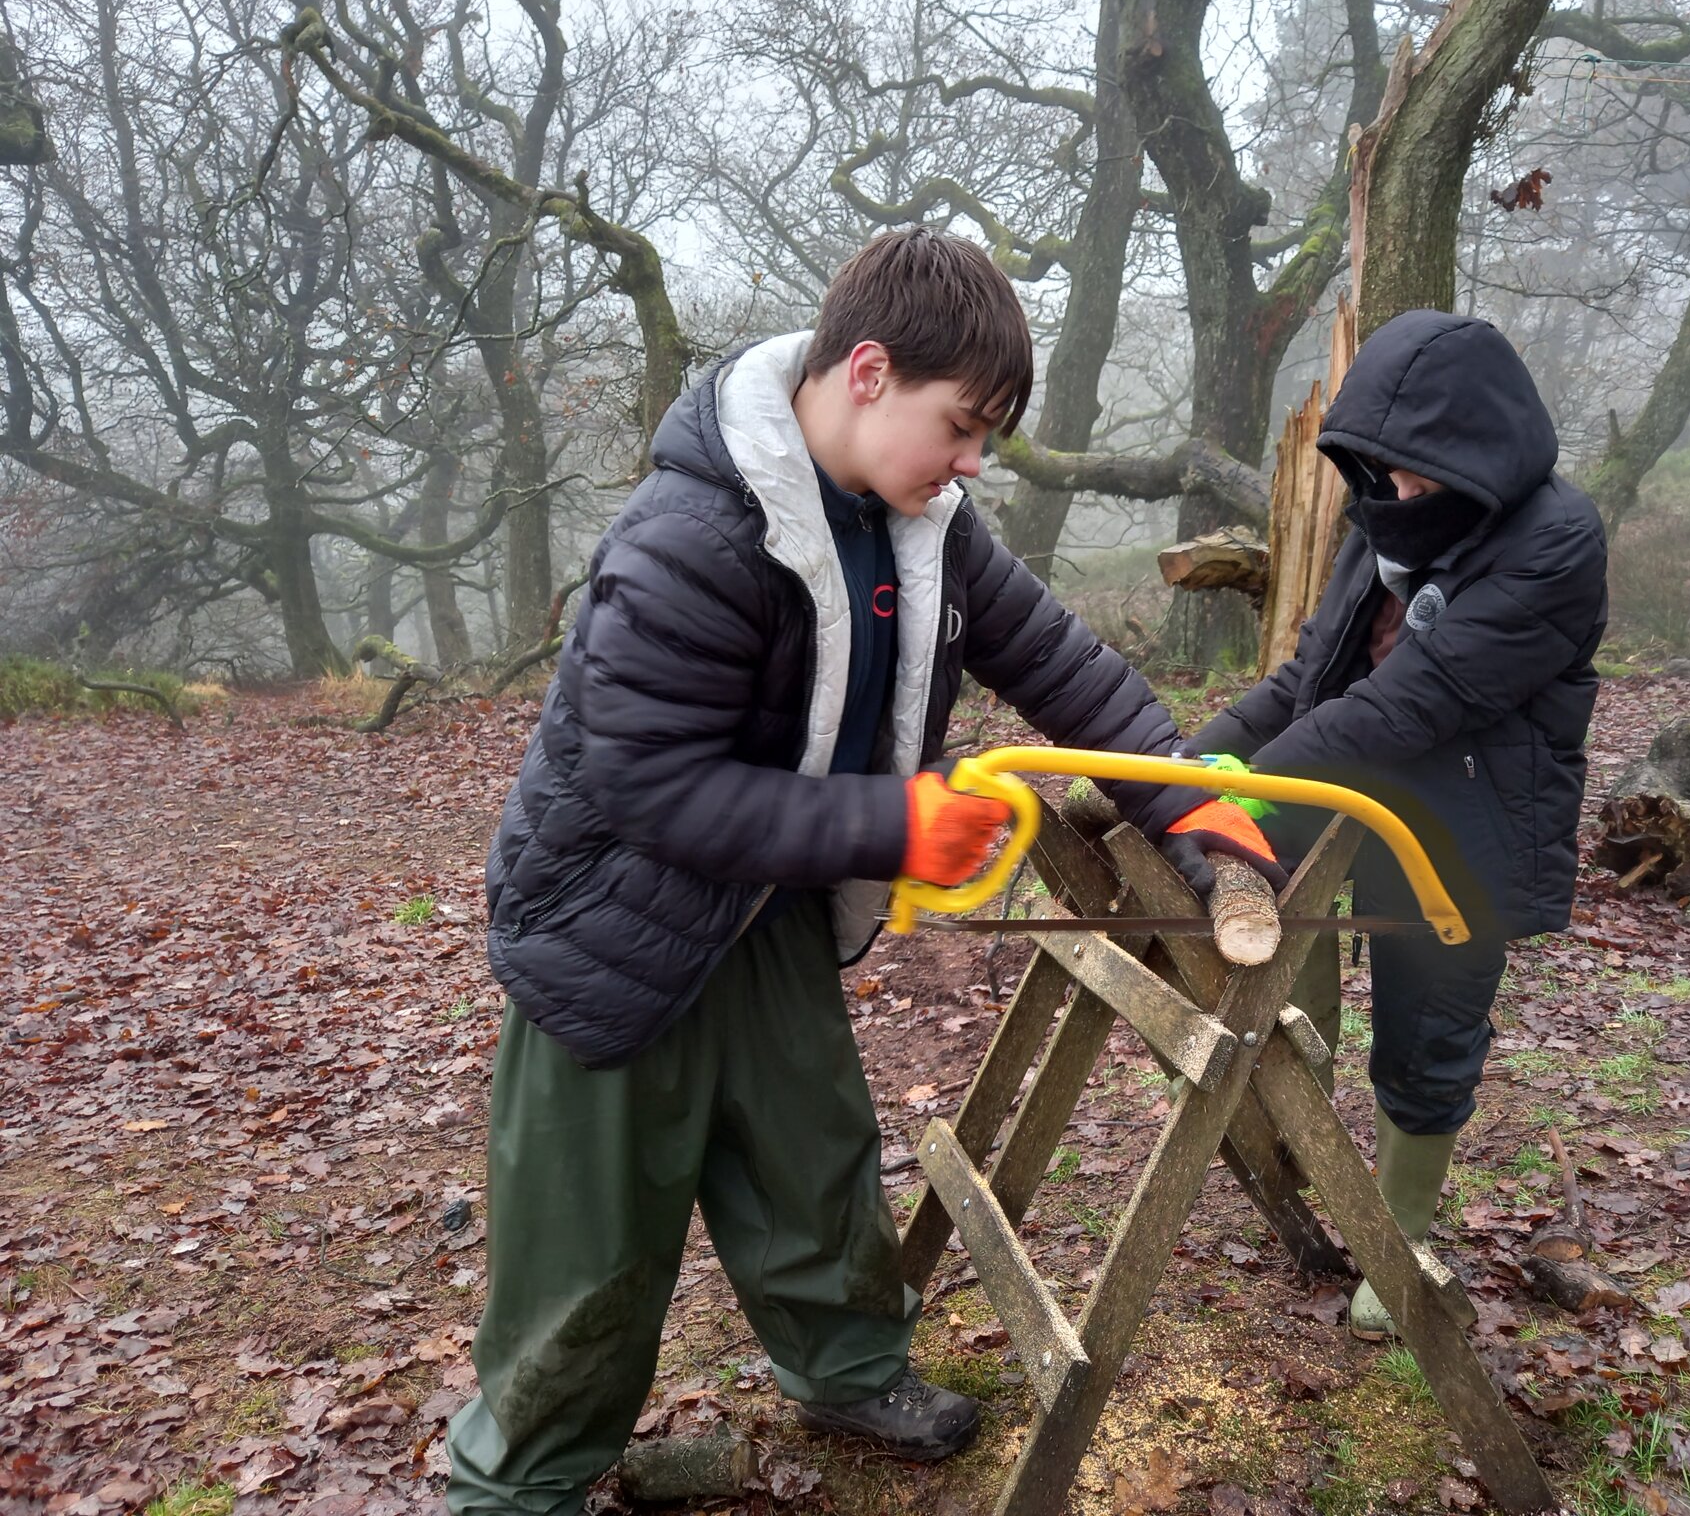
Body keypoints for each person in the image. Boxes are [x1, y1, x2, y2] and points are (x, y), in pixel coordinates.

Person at [444, 227, 1278, 1514]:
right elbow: (645, 787)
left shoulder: (925, 522)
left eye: (986, 437)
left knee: (810, 1149)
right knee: (590, 1246)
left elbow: (1070, 675)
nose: (970, 463)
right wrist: (892, 828)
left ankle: (847, 1368)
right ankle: (521, 1485)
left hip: (764, 899)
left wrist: (1199, 813)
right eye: (960, 426)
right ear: (870, 372)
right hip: (605, 926)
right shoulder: (691, 537)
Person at [1185, 309, 1608, 1337]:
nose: (1398, 495)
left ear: (1478, 453)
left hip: (1464, 813)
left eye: (1419, 475)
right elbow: (1309, 679)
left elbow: (1407, 704)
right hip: (1347, 782)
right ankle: (1308, 1136)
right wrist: (1193, 762)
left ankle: (1401, 1227)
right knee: (1268, 944)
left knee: (1427, 1026)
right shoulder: (1376, 522)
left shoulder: (1552, 542)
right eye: (1380, 473)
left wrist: (1251, 789)